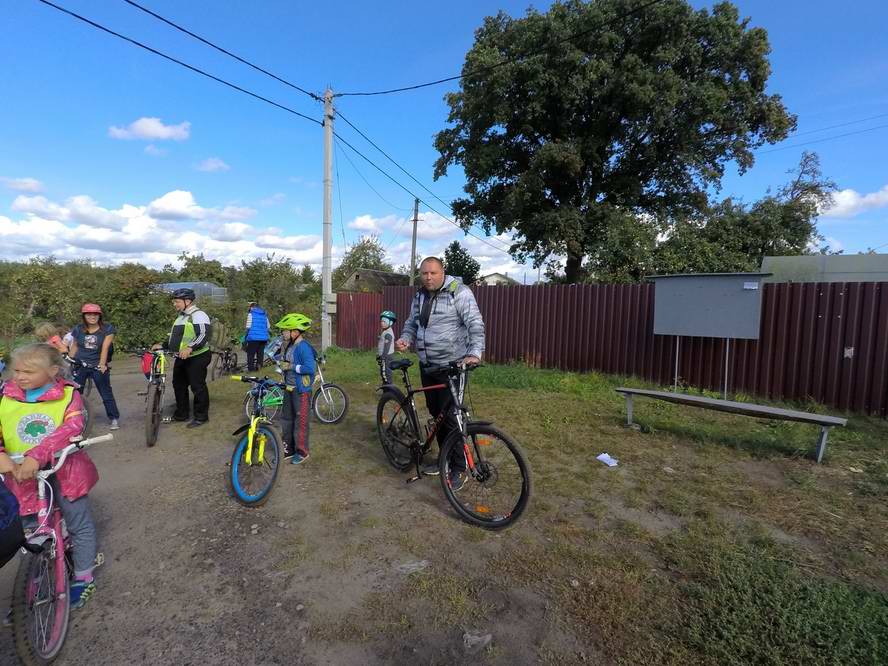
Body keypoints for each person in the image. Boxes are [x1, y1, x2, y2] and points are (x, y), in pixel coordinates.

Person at [0, 343, 100, 608]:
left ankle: (83, 576)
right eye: (16, 370)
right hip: (20, 474)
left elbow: (71, 427)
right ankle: (33, 582)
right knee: (30, 529)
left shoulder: (68, 395)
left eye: (29, 371)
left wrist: (38, 453)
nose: (20, 376)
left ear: (53, 371)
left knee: (78, 522)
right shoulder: (6, 395)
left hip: (64, 470)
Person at [395, 257, 485, 485]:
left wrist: (474, 352)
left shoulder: (459, 292)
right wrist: (406, 338)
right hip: (427, 365)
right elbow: (411, 323)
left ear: (442, 272)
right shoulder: (419, 296)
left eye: (433, 273)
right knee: (438, 416)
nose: (428, 277)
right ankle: (444, 459)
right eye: (424, 273)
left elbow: (475, 323)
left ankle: (458, 467)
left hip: (452, 367)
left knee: (453, 419)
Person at [159, 288, 213, 428]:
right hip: (182, 357)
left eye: (177, 301)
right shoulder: (181, 316)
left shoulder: (199, 314)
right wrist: (163, 345)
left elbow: (203, 335)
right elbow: (175, 337)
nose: (174, 304)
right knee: (179, 385)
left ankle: (201, 417)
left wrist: (190, 348)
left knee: (197, 386)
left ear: (187, 301)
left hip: (198, 356)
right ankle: (181, 414)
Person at [69, 304, 121, 431]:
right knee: (75, 393)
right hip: (80, 364)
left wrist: (102, 364)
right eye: (89, 314)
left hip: (97, 364)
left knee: (105, 392)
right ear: (84, 316)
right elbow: (75, 346)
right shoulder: (78, 329)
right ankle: (75, 418)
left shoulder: (107, 329)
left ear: (99, 315)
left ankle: (114, 418)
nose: (92, 316)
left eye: (95, 314)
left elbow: (105, 348)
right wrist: (69, 361)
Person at [272, 313, 316, 465]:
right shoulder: (290, 345)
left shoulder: (304, 347)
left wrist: (291, 367)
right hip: (289, 388)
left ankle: (302, 451)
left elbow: (310, 368)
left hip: (301, 390)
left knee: (300, 421)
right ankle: (288, 448)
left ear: (295, 332)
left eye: (286, 330)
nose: (283, 333)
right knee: (286, 419)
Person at [244, 302, 271, 372]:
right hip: (263, 338)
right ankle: (259, 368)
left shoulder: (251, 314)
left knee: (250, 354)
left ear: (252, 307)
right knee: (260, 353)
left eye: (249, 307)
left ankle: (251, 370)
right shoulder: (264, 314)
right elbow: (268, 327)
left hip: (253, 337)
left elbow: (248, 327)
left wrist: (246, 336)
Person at [377, 310, 397, 384]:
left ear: (390, 323)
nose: (382, 323)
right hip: (385, 356)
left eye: (384, 321)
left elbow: (387, 347)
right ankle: (386, 388)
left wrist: (383, 356)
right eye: (381, 321)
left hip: (386, 357)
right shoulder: (386, 331)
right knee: (383, 372)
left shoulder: (388, 333)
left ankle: (388, 389)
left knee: (386, 373)